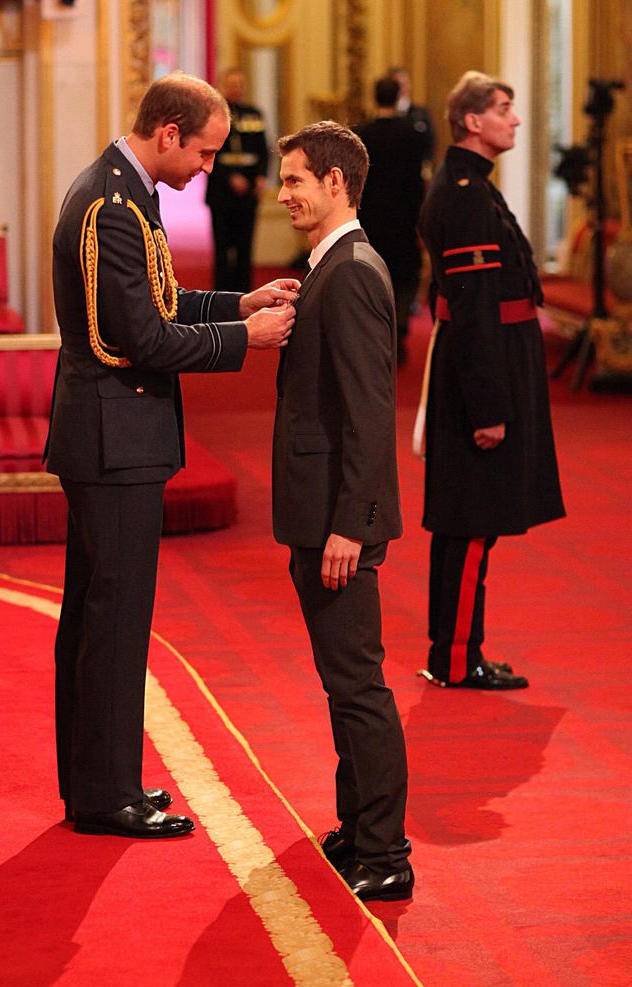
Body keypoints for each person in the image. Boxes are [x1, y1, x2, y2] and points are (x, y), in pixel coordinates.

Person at [46, 72, 297, 839]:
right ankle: (103, 795)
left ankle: (104, 780)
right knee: (111, 621)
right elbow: (141, 338)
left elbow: (157, 301)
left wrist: (235, 303)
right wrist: (243, 342)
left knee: (102, 619)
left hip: (116, 436)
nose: (207, 169)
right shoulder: (109, 204)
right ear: (167, 134)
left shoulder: (126, 190)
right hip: (112, 437)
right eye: (204, 151)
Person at [275, 121, 413, 902]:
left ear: (336, 184)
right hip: (319, 512)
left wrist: (350, 526)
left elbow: (369, 411)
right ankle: (357, 825)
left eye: (295, 179)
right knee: (341, 681)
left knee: (358, 684)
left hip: (338, 522)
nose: (283, 193)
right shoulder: (330, 265)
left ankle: (386, 850)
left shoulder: (353, 270)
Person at [415, 71, 565, 691]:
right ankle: (456, 658)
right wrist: (488, 408)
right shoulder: (467, 195)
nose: (516, 120)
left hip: (487, 357)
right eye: (505, 109)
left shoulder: (467, 186)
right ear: (473, 122)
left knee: (469, 522)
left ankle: (460, 651)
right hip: (484, 368)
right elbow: (473, 305)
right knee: (472, 521)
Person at [356, 76, 430, 363]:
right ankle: (399, 330)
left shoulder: (364, 134)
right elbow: (417, 181)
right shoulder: (413, 133)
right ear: (399, 96)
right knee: (403, 275)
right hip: (404, 216)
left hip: (372, 217)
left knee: (374, 273)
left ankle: (375, 334)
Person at [205, 68, 269, 291]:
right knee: (222, 249)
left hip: (248, 193)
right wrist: (231, 177)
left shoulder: (254, 114)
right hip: (222, 192)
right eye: (231, 84)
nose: (236, 89)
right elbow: (207, 151)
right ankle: (221, 294)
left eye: (239, 84)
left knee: (245, 247)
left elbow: (263, 150)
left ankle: (244, 293)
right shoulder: (211, 114)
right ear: (222, 86)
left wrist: (261, 177)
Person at [387, 65, 435, 162]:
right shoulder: (384, 116)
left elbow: (429, 144)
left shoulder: (421, 114)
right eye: (397, 85)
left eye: (404, 84)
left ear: (409, 85)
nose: (401, 89)